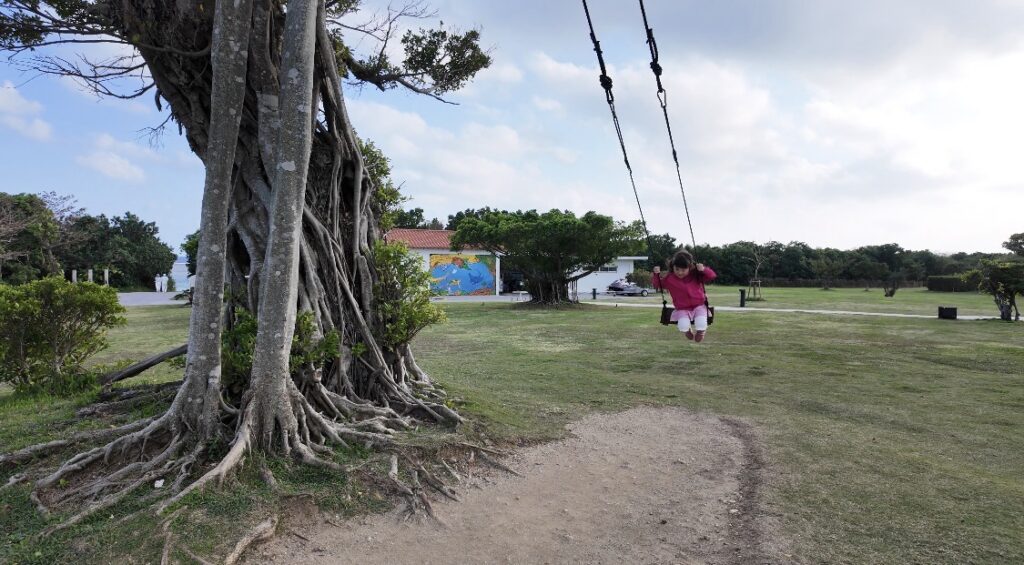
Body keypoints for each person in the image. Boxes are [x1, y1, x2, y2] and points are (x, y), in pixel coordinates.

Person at [652, 250, 717, 343]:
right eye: (677, 269)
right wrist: (656, 275)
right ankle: (687, 331)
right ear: (672, 267)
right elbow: (657, 284)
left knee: (701, 323)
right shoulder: (669, 279)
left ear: (689, 267)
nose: (680, 273)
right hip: (682, 308)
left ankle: (701, 332)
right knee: (682, 326)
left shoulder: (695, 275)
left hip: (699, 306)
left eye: (683, 270)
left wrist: (703, 269)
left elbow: (711, 276)